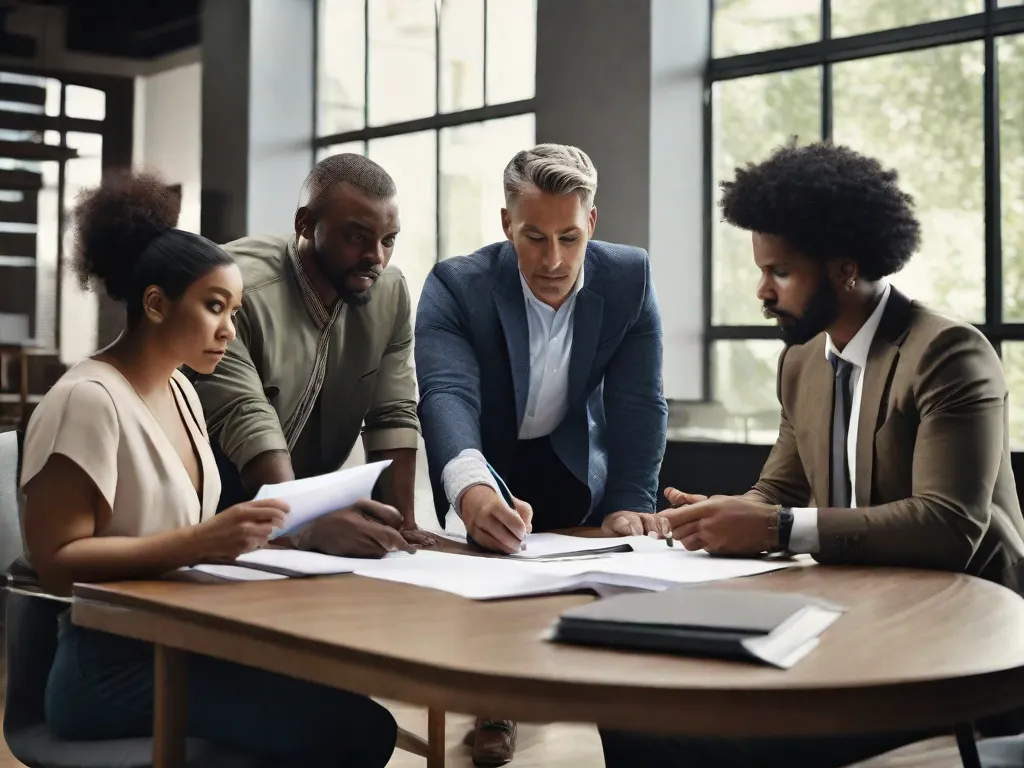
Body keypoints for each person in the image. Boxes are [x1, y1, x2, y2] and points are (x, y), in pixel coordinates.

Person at [600, 141, 1024, 767]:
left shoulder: (947, 354)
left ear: (845, 269)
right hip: (857, 616)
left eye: (780, 273)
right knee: (636, 708)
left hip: (958, 634)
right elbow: (779, 491)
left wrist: (770, 526)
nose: (761, 290)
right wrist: (717, 515)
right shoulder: (802, 359)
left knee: (717, 735)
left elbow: (949, 525)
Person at [20, 171, 398, 766]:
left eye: (235, 310)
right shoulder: (86, 399)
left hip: (183, 640)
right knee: (351, 731)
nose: (228, 329)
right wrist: (203, 541)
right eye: (214, 307)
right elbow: (55, 563)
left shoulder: (183, 392)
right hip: (107, 670)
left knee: (352, 705)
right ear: (155, 303)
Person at [415, 143, 669, 765]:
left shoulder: (628, 275)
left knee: (598, 578)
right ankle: (493, 698)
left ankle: (623, 711)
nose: (552, 259)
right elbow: (447, 394)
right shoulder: (458, 284)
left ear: (592, 224)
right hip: (488, 452)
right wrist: (472, 489)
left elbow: (640, 402)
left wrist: (629, 503)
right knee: (494, 566)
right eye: (533, 237)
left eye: (569, 237)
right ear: (506, 224)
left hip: (570, 454)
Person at [190, 153, 436, 555]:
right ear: (305, 223)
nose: (376, 256)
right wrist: (300, 520)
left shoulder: (389, 293)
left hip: (294, 516)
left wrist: (402, 526)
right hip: (209, 512)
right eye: (357, 237)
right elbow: (244, 414)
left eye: (388, 239)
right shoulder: (233, 288)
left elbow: (392, 413)